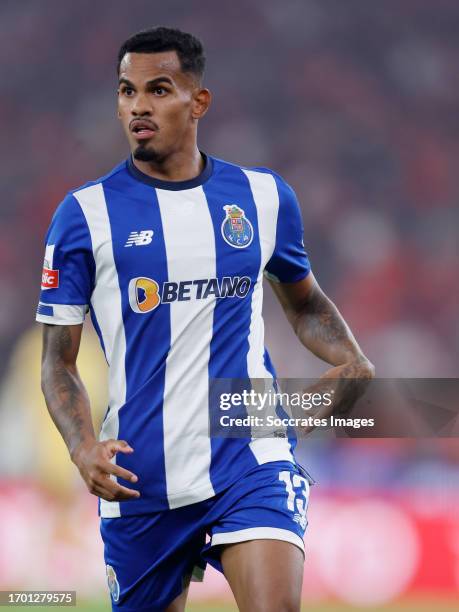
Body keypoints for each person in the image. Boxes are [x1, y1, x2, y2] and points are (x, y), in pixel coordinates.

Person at [37, 27, 374, 612]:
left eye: (158, 89)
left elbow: (306, 301)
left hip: (249, 452)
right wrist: (81, 446)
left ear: (199, 102)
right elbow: (57, 361)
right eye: (126, 91)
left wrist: (350, 360)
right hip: (140, 477)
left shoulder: (264, 197)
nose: (138, 105)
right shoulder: (83, 217)